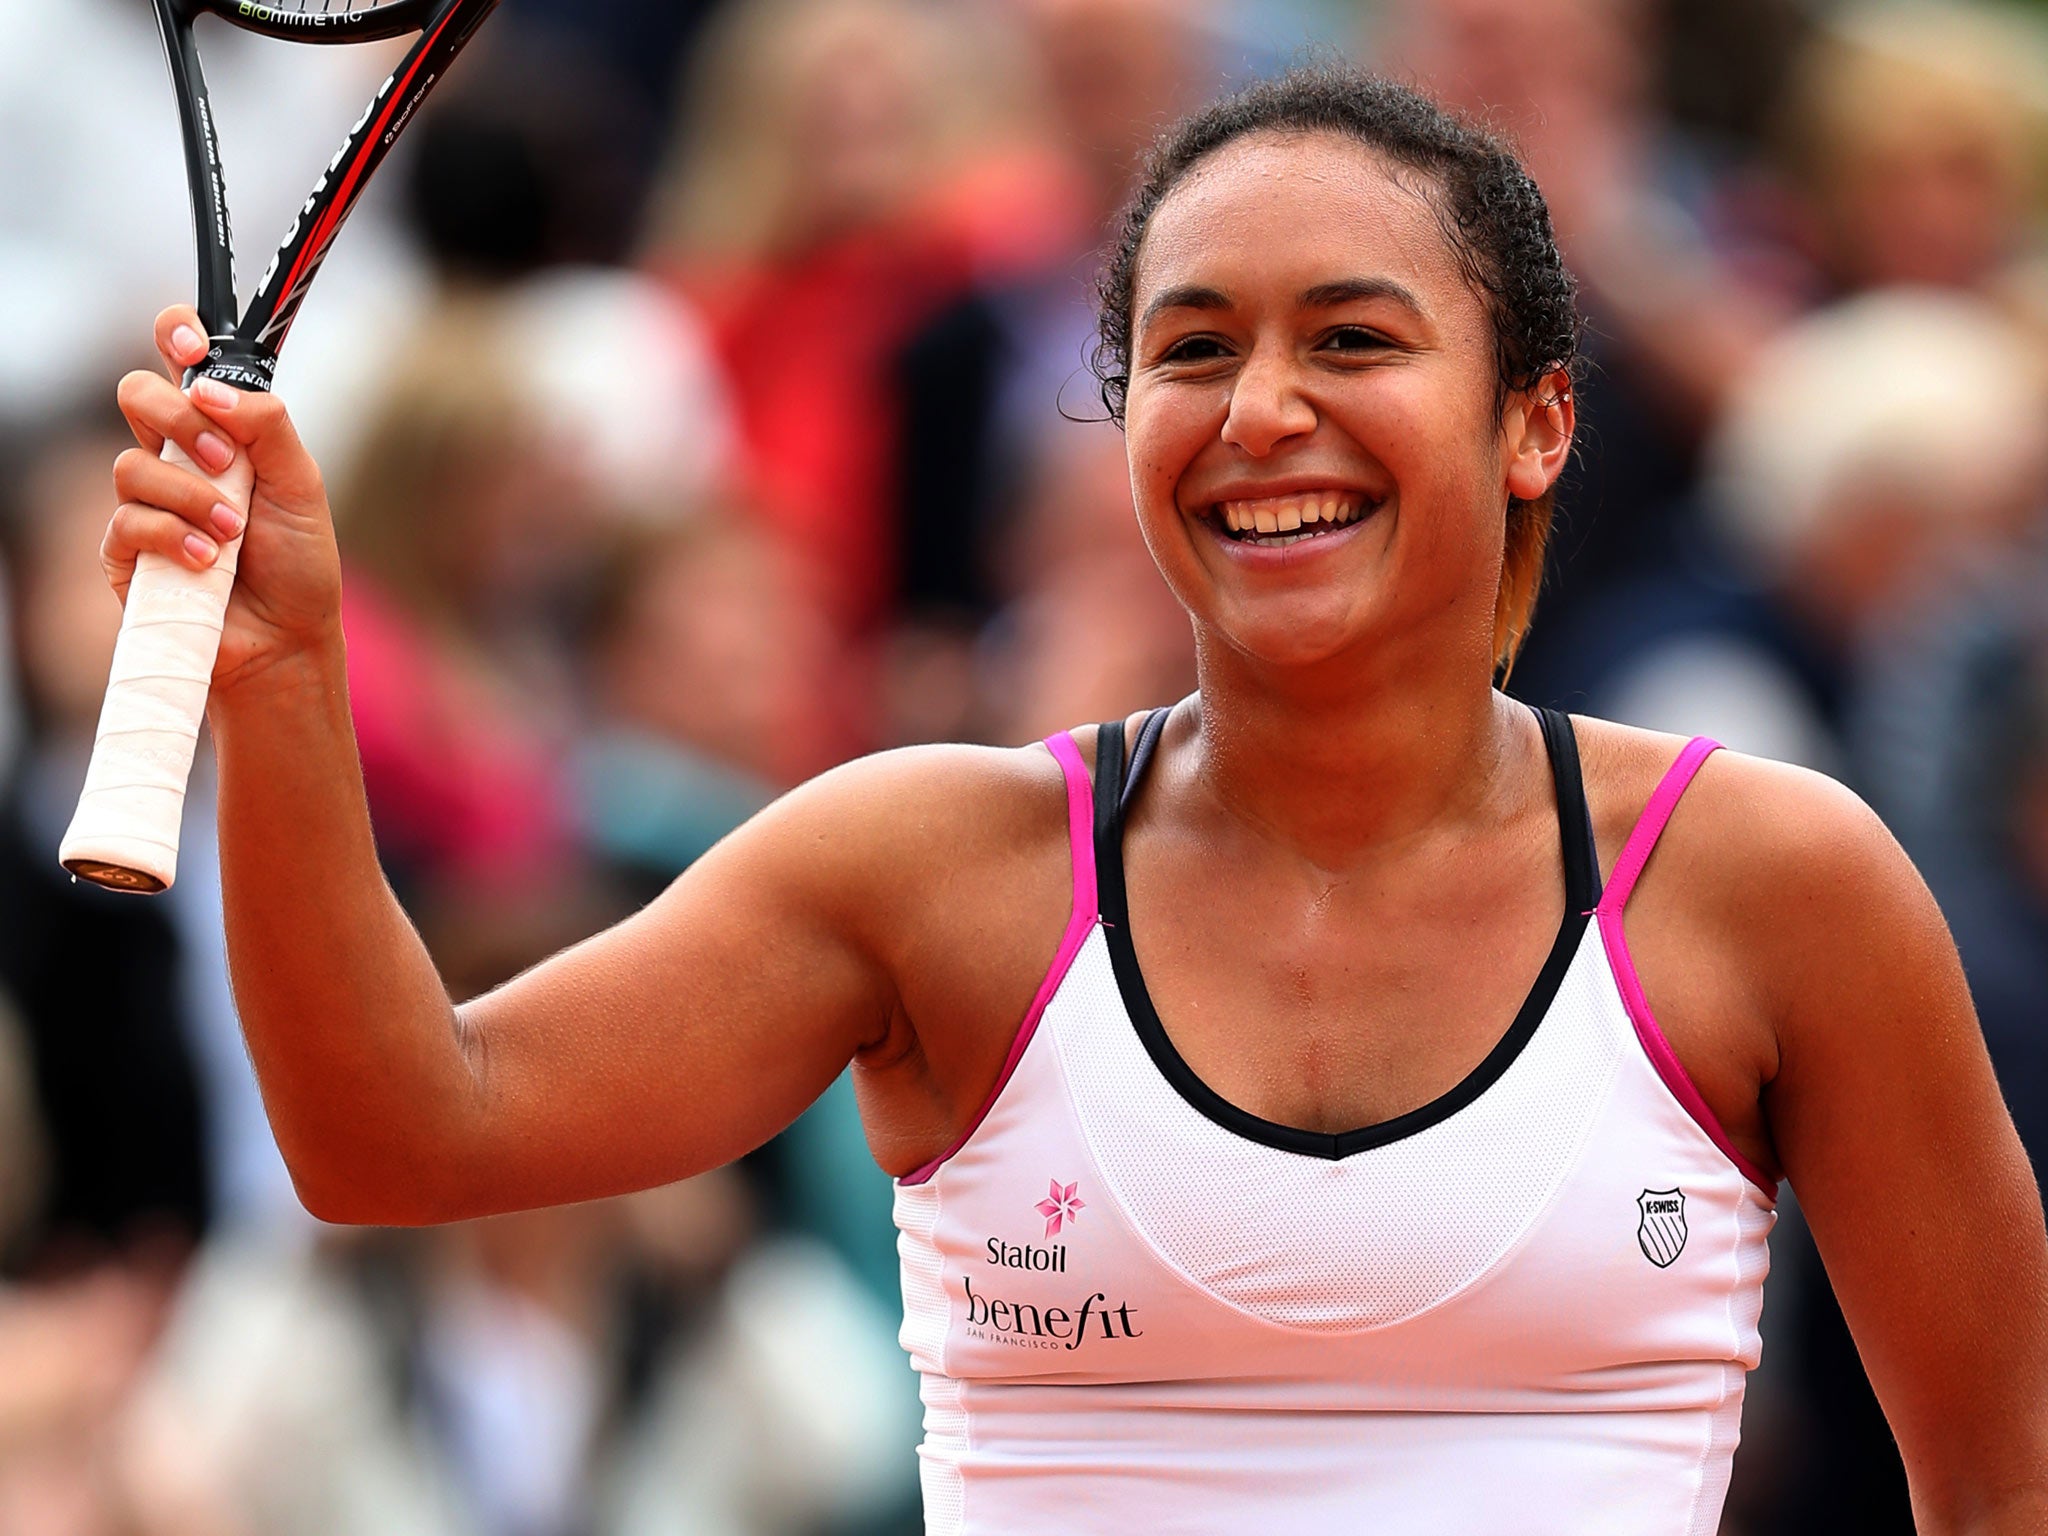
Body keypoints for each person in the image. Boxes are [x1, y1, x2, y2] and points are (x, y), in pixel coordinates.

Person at [98, 66, 2046, 1532]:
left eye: (1351, 337)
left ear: (1536, 417)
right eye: (1190, 351)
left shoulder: (1779, 885)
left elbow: (2002, 1489)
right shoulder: (926, 867)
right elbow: (393, 1139)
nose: (1260, 410)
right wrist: (280, 678)